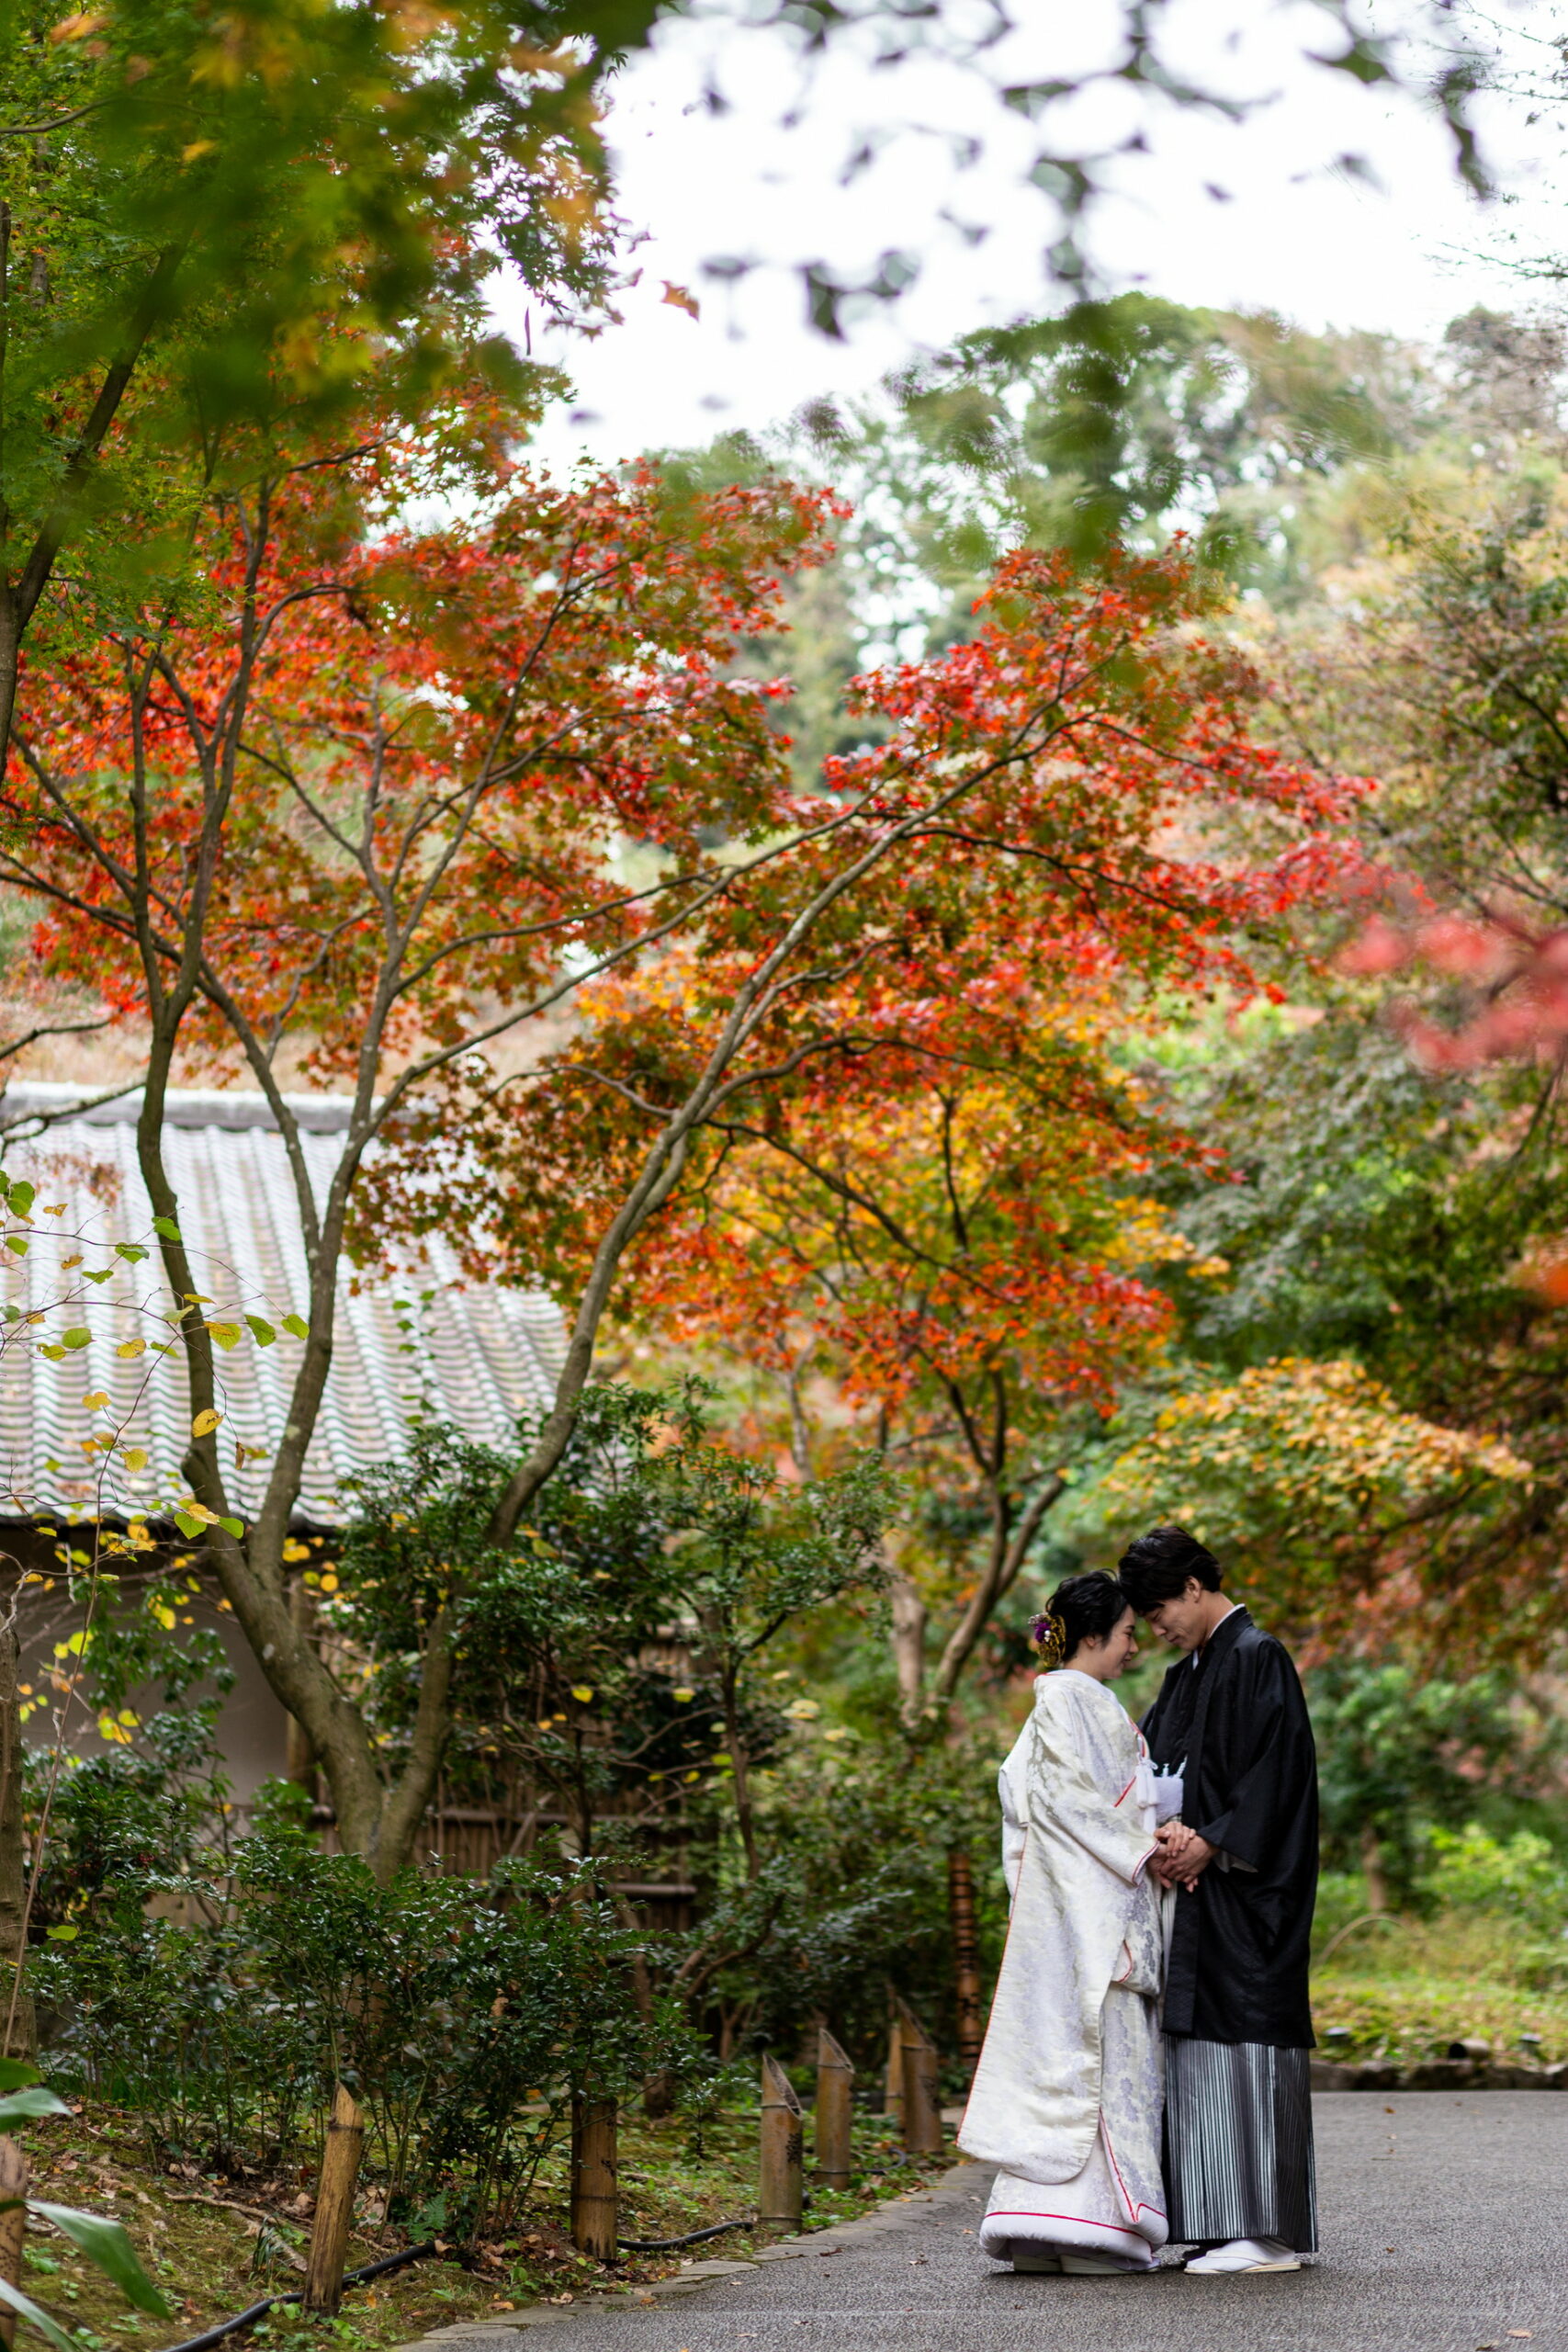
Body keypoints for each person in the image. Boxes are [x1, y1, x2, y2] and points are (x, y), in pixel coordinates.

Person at [1119, 1524, 1319, 2277]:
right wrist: (1164, 1833)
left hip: (1246, 1895)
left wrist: (1213, 1840)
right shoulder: (1187, 1673)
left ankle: (1262, 2231)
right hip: (1196, 1892)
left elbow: (1280, 1778)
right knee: (1196, 2053)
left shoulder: (1256, 1656)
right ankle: (1215, 2222)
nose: (1156, 1628)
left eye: (1161, 1609)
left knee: (1244, 2038)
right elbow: (1149, 1762)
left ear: (1195, 1588)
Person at [959, 1572, 1172, 2277]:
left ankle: (1041, 2228)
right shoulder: (1070, 1702)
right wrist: (1146, 1845)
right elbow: (1063, 1804)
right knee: (1102, 2067)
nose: (1133, 1648)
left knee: (1068, 2065)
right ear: (1091, 1637)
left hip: (1072, 1915)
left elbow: (1026, 1813)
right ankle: (1089, 2230)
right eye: (1126, 1634)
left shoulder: (1065, 1705)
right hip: (1096, 1914)